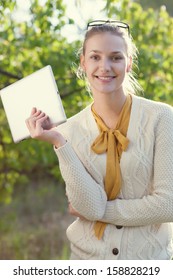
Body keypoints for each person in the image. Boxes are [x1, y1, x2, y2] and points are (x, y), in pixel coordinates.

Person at [25, 20, 173, 260]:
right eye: (95, 57)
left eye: (115, 57)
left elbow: (168, 205)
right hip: (86, 262)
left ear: (129, 64)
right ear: (83, 63)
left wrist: (103, 211)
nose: (105, 66)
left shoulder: (161, 117)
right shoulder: (67, 130)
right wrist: (59, 143)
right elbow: (87, 205)